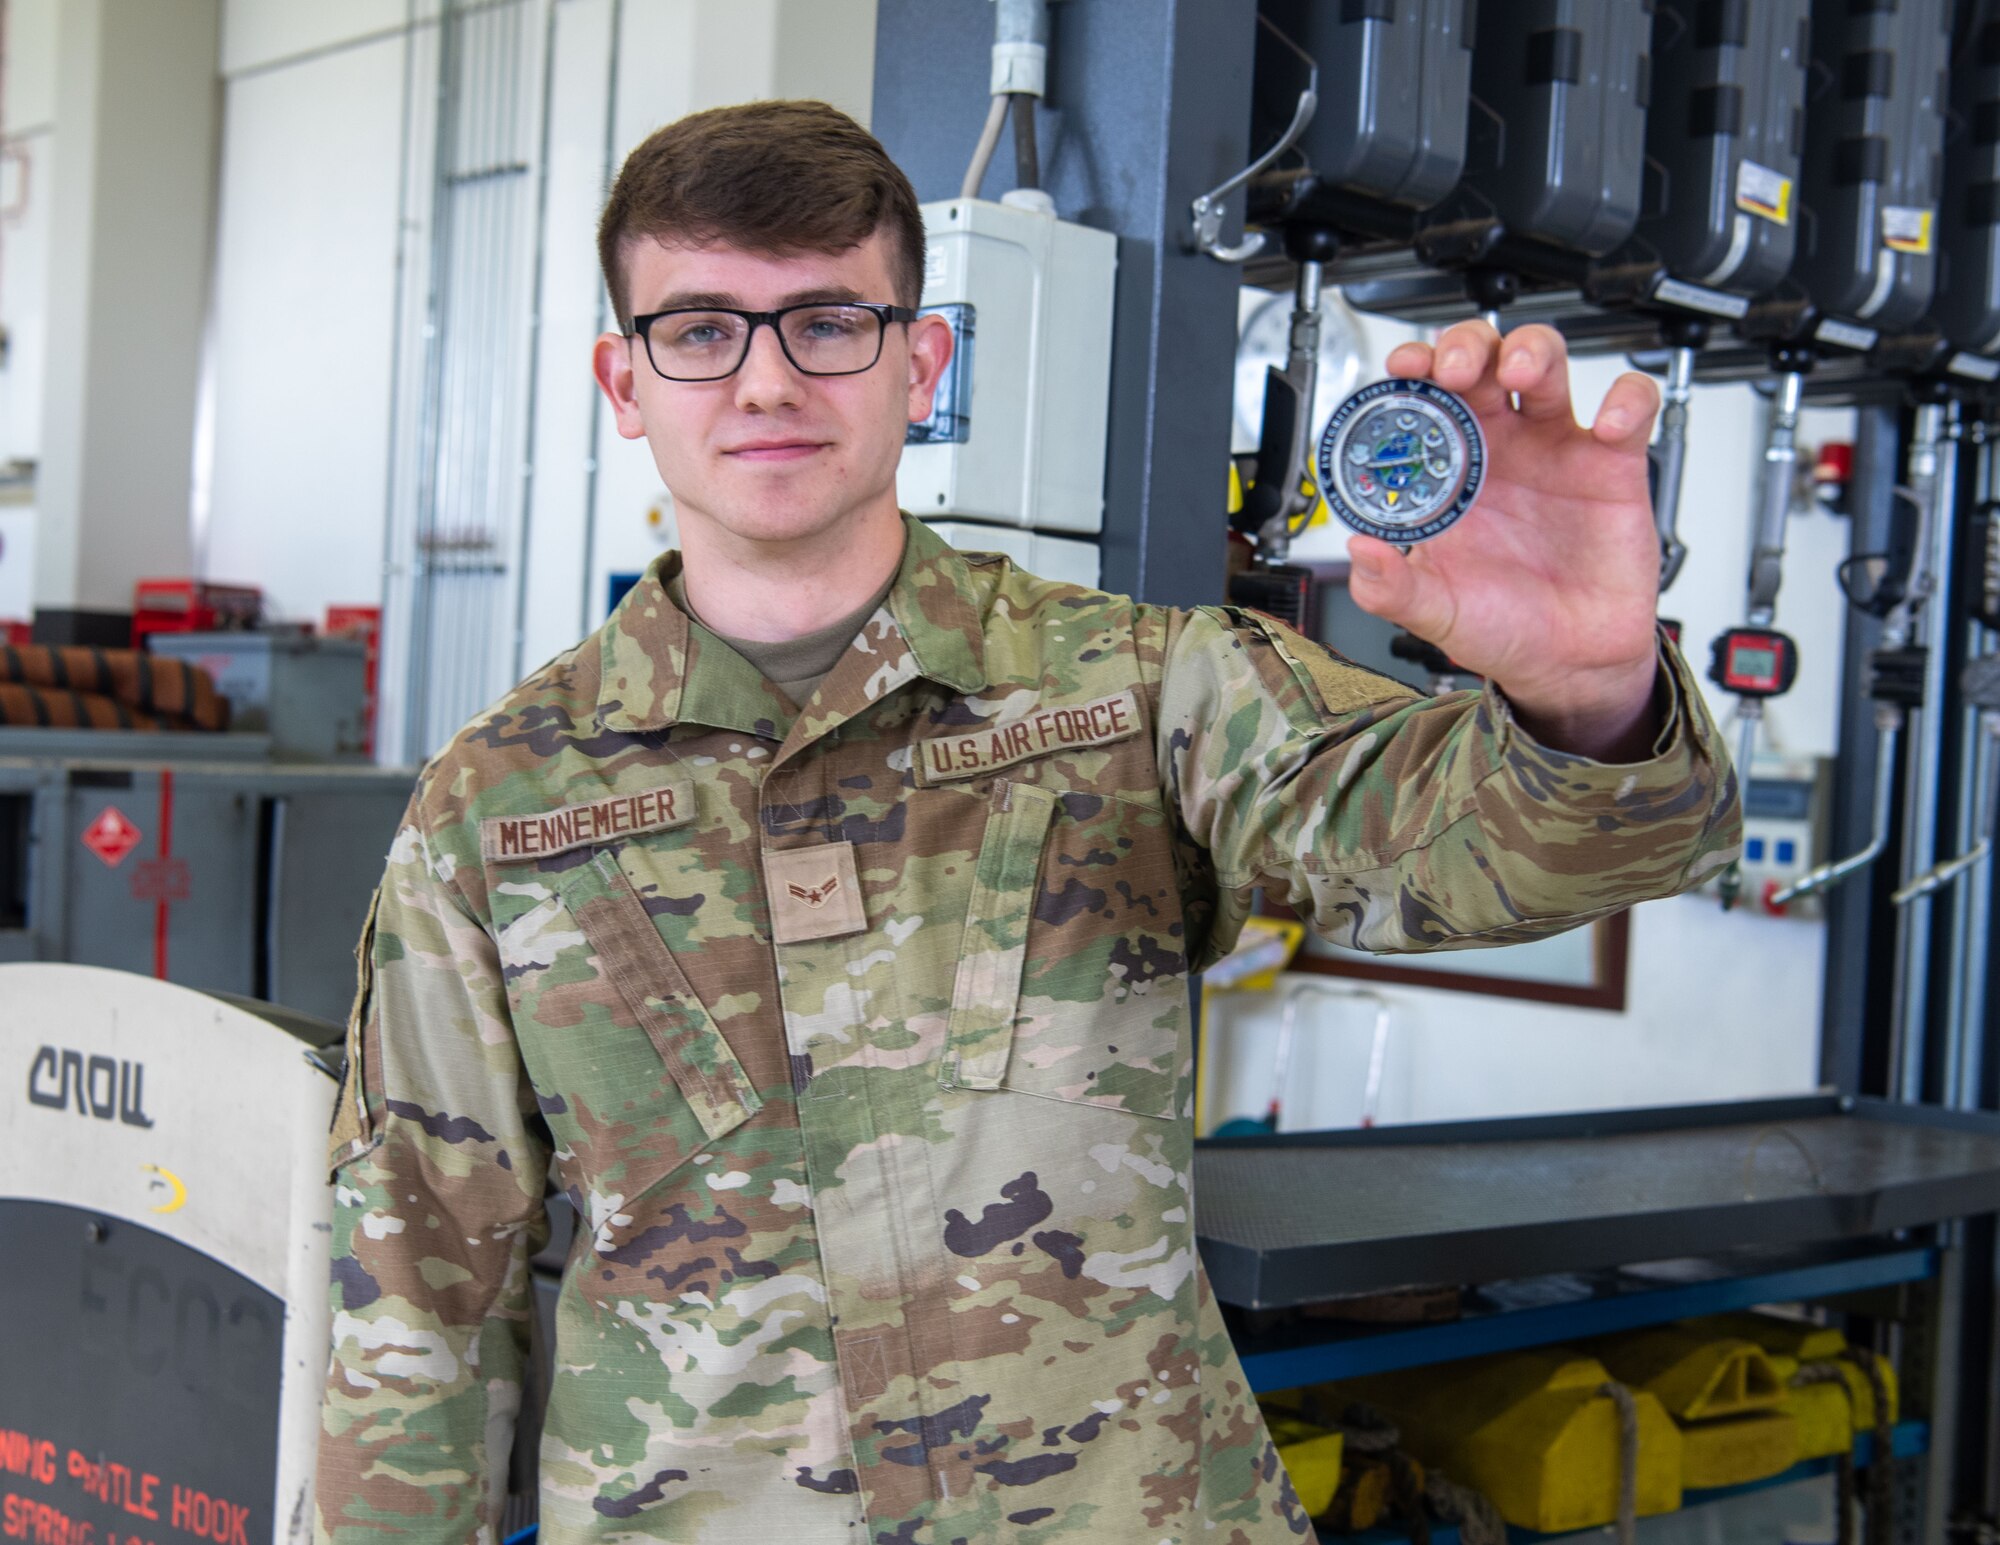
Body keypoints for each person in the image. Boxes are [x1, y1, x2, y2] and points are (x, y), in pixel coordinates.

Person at [316, 99, 1738, 1545]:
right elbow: (418, 1277)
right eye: (700, 330)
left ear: (920, 363)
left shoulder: (1138, 688)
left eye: (827, 322)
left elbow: (1452, 858)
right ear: (626, 380)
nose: (763, 383)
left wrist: (1589, 694)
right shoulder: (503, 801)